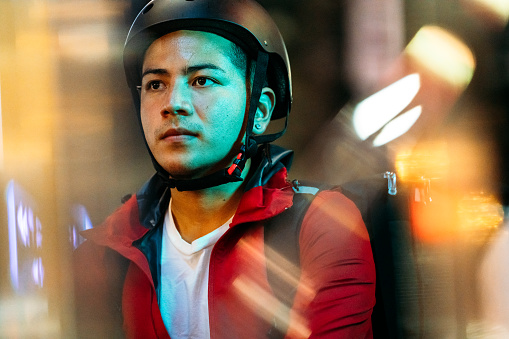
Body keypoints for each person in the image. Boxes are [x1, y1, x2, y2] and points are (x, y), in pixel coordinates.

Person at [73, 0, 376, 338]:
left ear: (259, 110)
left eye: (202, 80)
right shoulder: (104, 251)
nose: (173, 103)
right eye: (156, 84)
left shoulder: (323, 225)